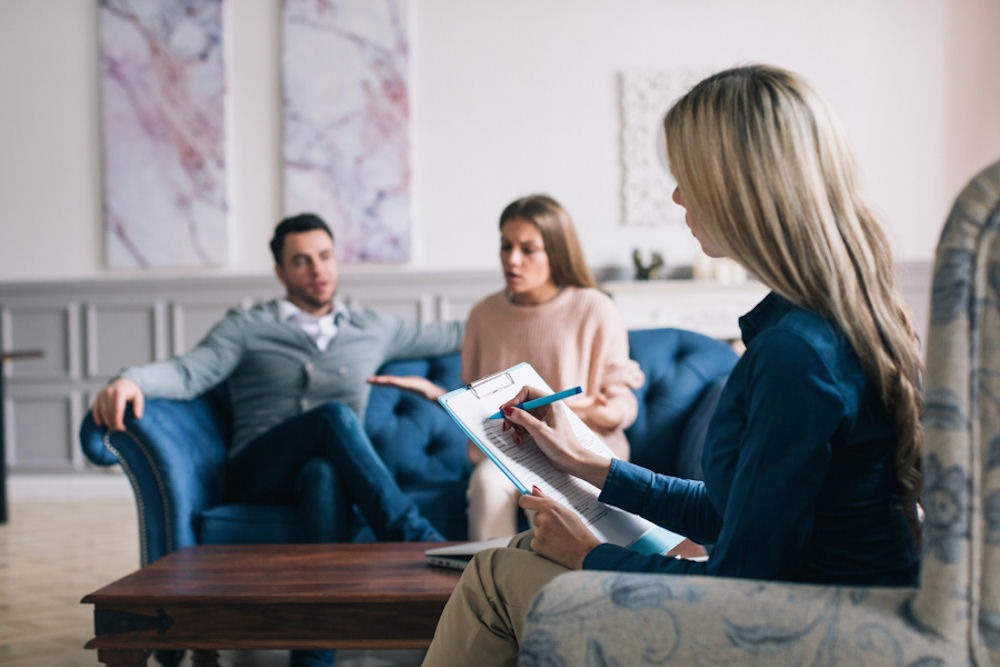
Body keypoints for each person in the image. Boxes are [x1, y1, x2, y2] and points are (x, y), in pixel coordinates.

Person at [420, 64, 924, 666]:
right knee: (525, 553)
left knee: (495, 577)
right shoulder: (835, 322)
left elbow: (742, 580)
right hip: (822, 610)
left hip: (803, 634)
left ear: (738, 185)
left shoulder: (796, 355)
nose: (678, 195)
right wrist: (591, 464)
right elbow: (732, 512)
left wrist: (589, 554)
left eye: (687, 176)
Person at [90, 213, 464, 667]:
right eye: (302, 261)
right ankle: (413, 536)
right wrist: (129, 380)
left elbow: (456, 333)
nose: (317, 270)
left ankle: (312, 655)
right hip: (259, 469)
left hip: (324, 479)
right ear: (280, 271)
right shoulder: (247, 326)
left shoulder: (372, 326)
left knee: (323, 472)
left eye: (325, 257)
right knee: (332, 417)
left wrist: (540, 301)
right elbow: (189, 371)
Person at [370, 194, 643, 540]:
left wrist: (584, 409)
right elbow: (481, 405)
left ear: (556, 251)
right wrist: (439, 395)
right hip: (508, 455)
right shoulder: (484, 314)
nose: (512, 260)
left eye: (528, 250)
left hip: (578, 455)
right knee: (486, 484)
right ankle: (488, 586)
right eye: (505, 246)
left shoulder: (595, 308)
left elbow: (622, 406)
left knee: (550, 509)